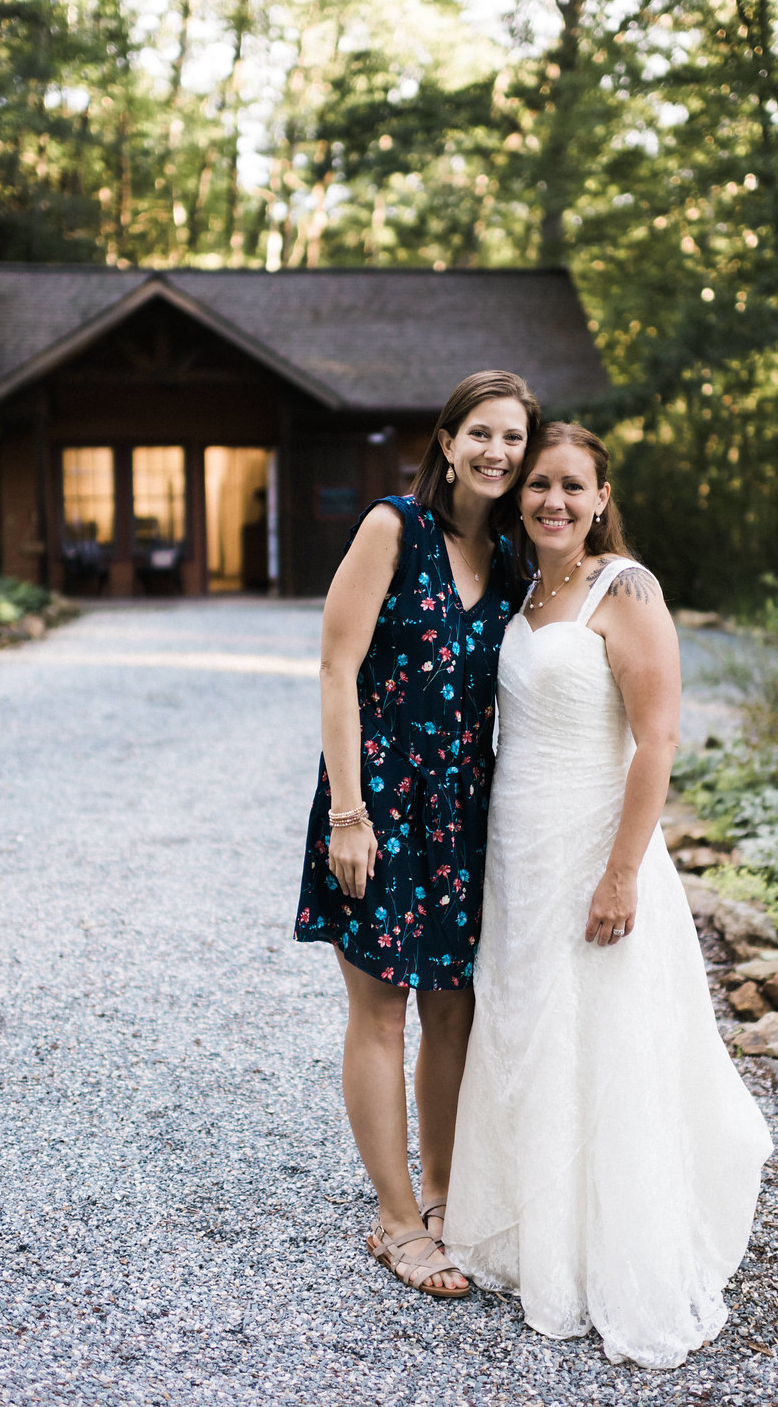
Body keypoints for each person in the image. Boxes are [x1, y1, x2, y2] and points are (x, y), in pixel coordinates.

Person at [443, 422, 773, 1363]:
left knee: (602, 1037)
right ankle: (530, 1231)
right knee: (528, 1026)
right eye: (538, 484)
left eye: (571, 487)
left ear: (600, 497)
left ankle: (606, 1250)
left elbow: (657, 741)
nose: (552, 500)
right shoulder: (521, 582)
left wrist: (623, 869)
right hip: (520, 847)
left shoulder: (622, 590)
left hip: (595, 845)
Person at [295, 370, 540, 1299]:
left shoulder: (519, 559)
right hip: (380, 803)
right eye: (481, 433)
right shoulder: (394, 527)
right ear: (447, 441)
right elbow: (335, 667)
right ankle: (394, 1221)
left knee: (454, 1009)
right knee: (380, 1009)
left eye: (513, 438)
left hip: (469, 814)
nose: (497, 453)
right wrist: (349, 816)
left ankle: (442, 1195)